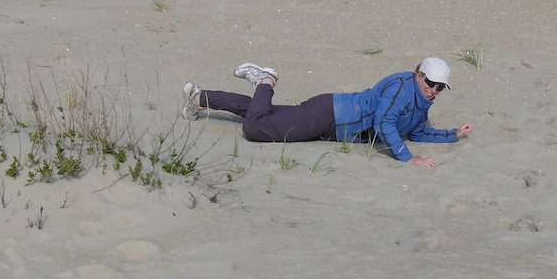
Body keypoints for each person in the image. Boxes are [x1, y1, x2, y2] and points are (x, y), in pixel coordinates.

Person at [182, 57, 472, 167]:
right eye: (430, 83)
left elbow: (417, 131)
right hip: (329, 115)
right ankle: (265, 80)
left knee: (266, 116)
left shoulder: (421, 104)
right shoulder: (401, 86)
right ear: (418, 74)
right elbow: (385, 123)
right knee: (256, 130)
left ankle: (201, 98)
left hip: (332, 126)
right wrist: (408, 159)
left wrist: (452, 136)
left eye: (440, 87)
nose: (433, 90)